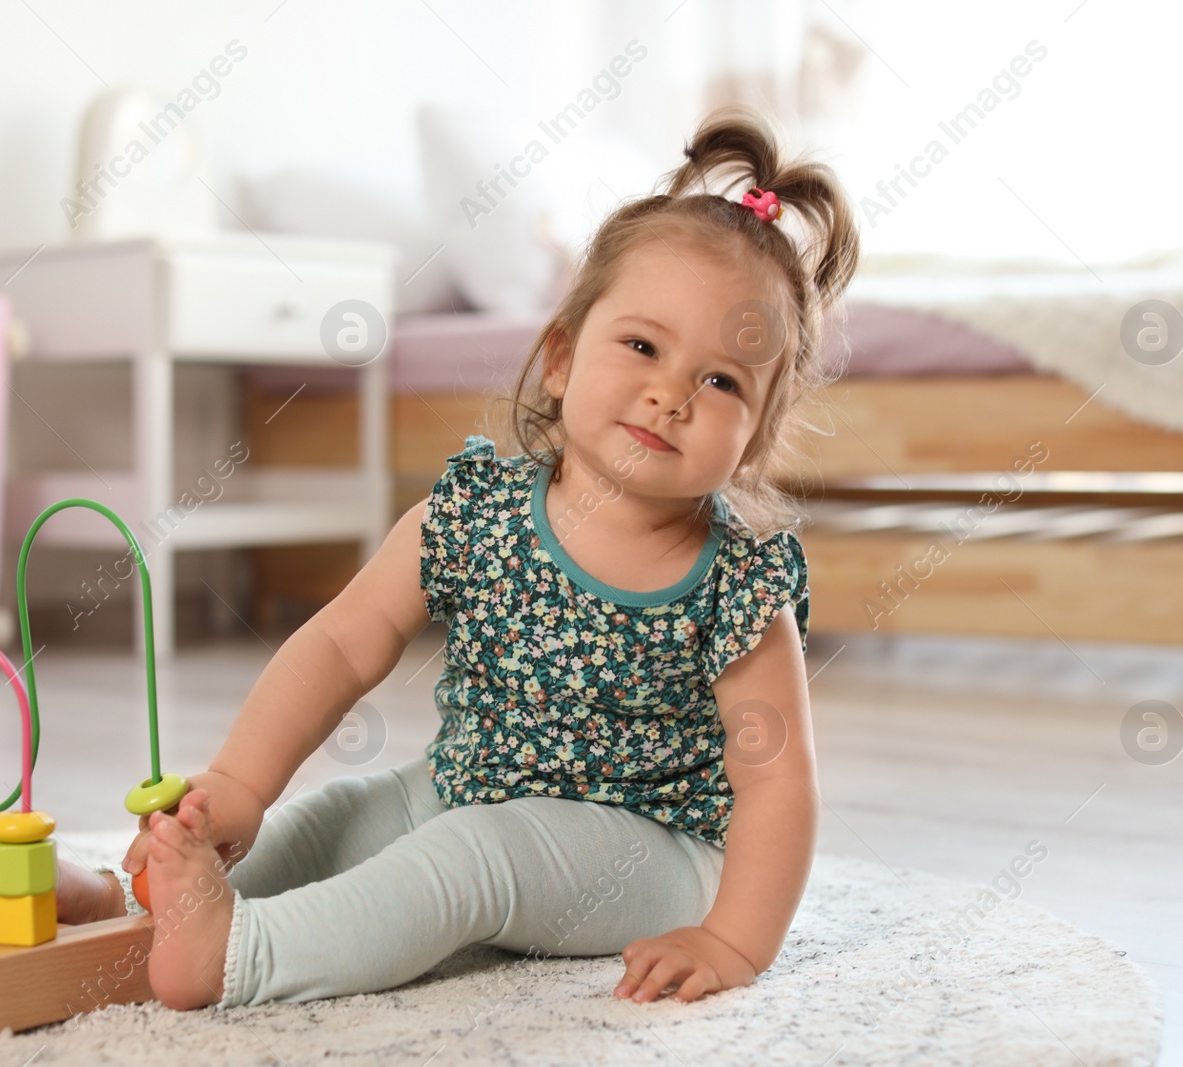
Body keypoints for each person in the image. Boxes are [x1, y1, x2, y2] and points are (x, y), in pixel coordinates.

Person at [54, 104, 859, 1011]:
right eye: (641, 345)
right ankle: (138, 907)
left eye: (722, 382)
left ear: (754, 437)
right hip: (466, 783)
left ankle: (241, 956)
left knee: (472, 858)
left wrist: (732, 939)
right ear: (559, 357)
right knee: (343, 819)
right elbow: (342, 643)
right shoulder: (475, 512)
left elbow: (779, 781)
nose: (670, 392)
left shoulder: (736, 582)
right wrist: (239, 783)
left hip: (655, 850)